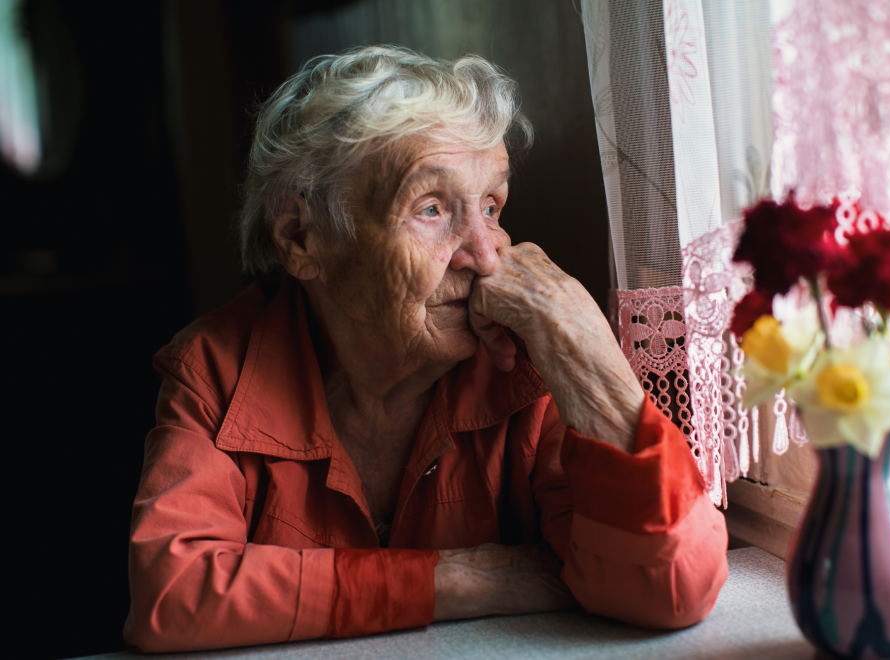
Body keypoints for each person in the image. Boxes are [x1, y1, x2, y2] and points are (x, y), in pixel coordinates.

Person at [123, 46, 728, 653]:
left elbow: (672, 585)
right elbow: (173, 593)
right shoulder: (216, 370)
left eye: (491, 207)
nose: (485, 256)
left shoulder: (526, 366)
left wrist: (581, 343)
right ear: (301, 237)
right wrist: (462, 578)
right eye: (431, 209)